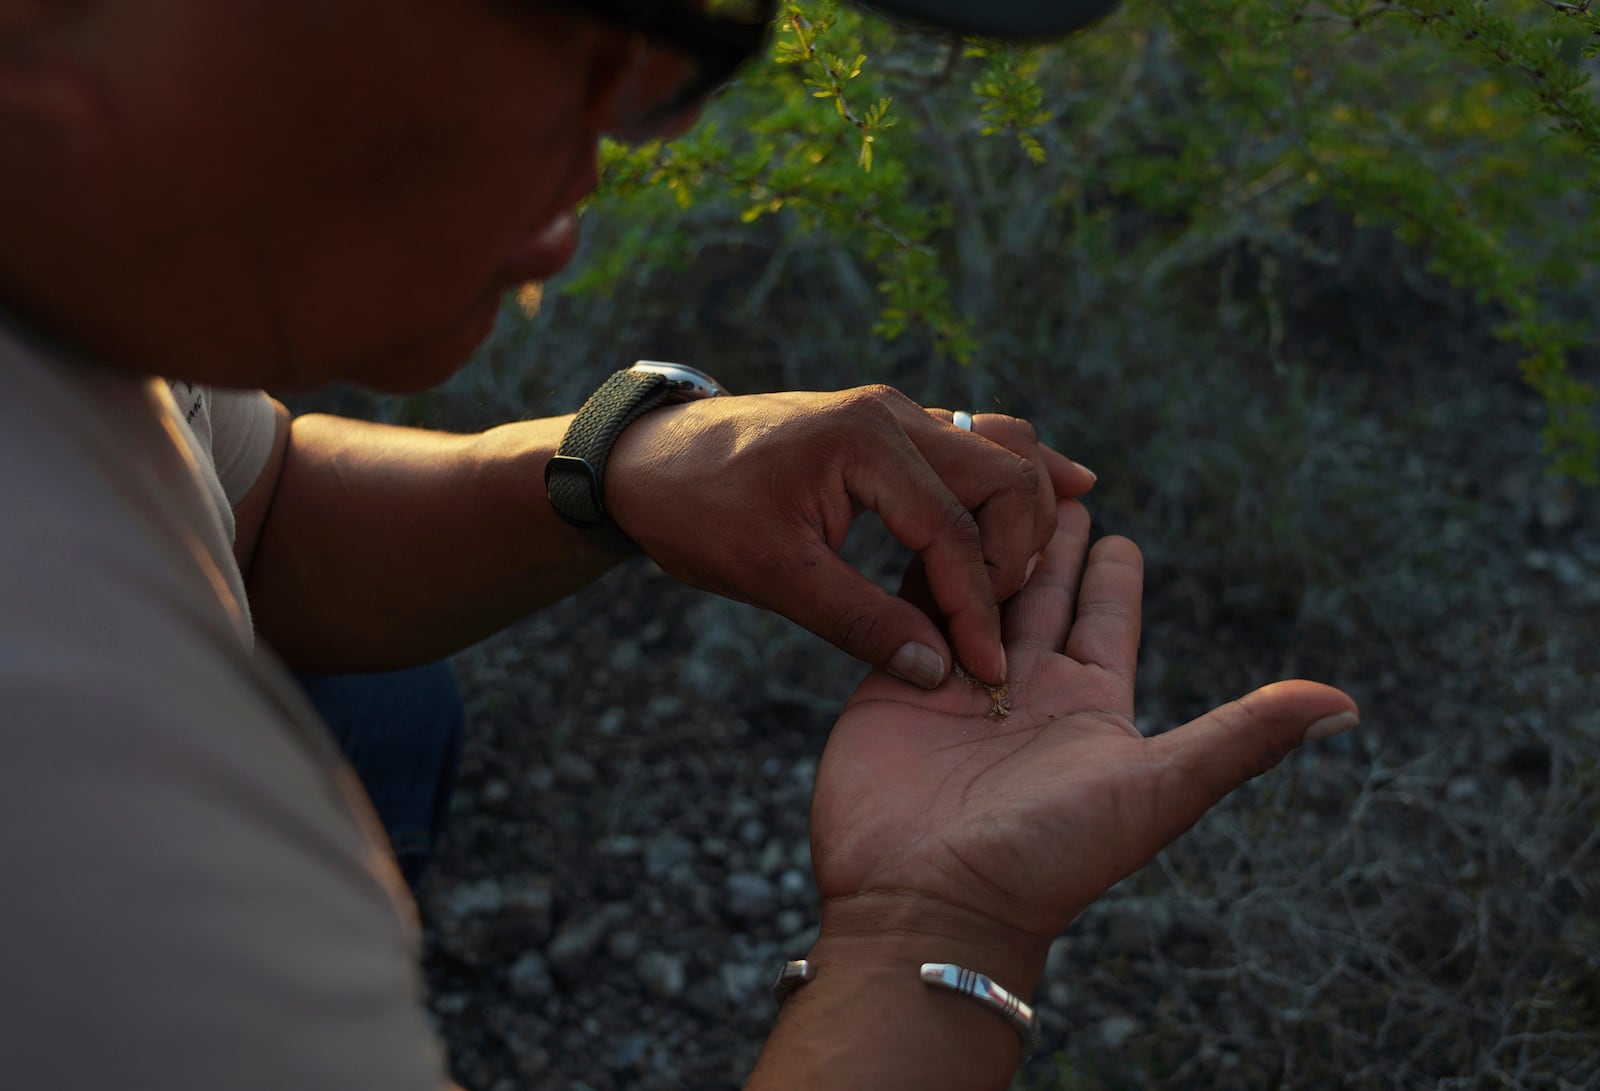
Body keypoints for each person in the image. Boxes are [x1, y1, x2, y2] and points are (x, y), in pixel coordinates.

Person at [0, 3, 1359, 1091]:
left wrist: (621, 465)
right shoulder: (86, 787)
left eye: (715, 18)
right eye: (585, 14)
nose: (659, 117)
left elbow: (254, 508)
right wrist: (933, 935)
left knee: (389, 708)